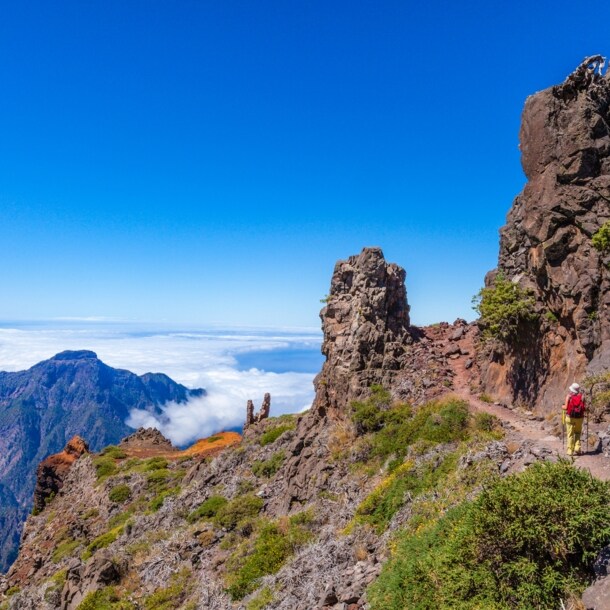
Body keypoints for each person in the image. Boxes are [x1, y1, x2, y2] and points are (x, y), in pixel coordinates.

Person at [562, 382, 586, 456]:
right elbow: (584, 407)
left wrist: (562, 406)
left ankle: (570, 450)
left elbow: (565, 408)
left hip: (570, 417)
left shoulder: (569, 396)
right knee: (578, 433)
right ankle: (577, 448)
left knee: (570, 434)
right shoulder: (582, 397)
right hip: (579, 418)